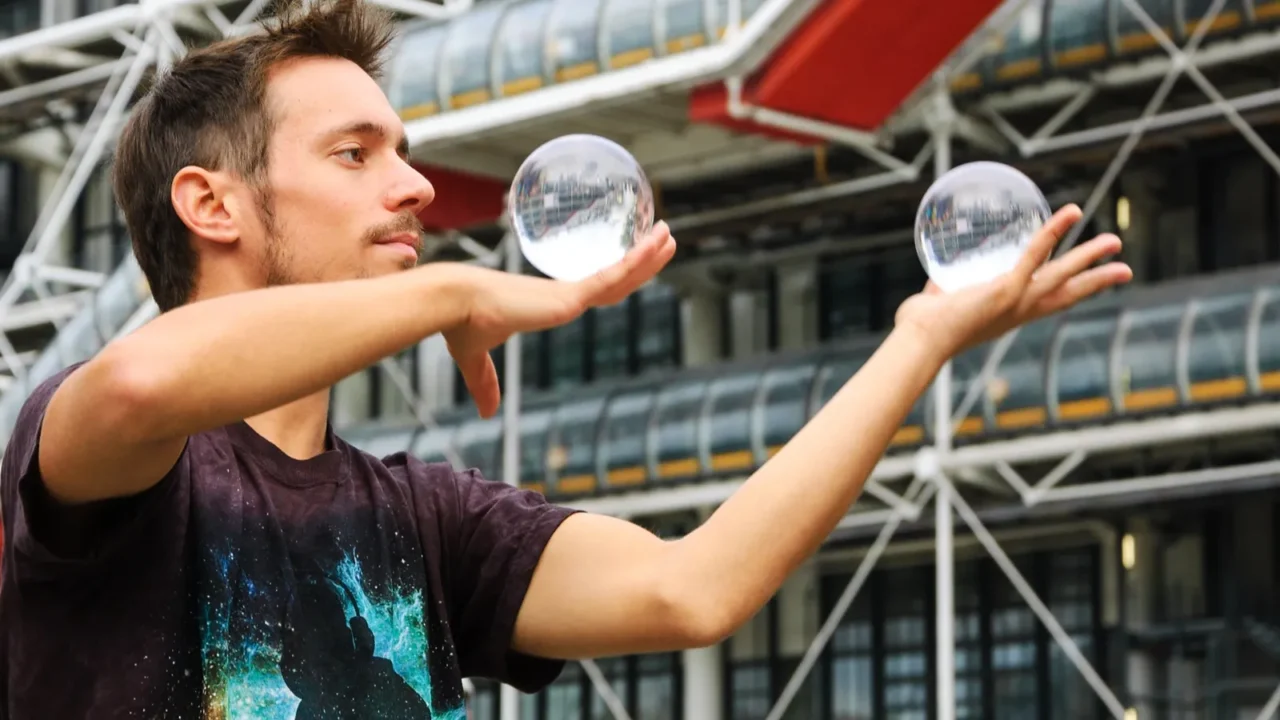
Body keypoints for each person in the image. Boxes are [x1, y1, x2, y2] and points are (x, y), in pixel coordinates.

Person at [0, 0, 1133, 715]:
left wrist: (920, 338)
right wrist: (452, 287)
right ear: (211, 203)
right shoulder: (115, 460)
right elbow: (151, 377)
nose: (414, 188)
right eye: (355, 154)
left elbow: (691, 590)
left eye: (406, 152)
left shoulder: (427, 518)